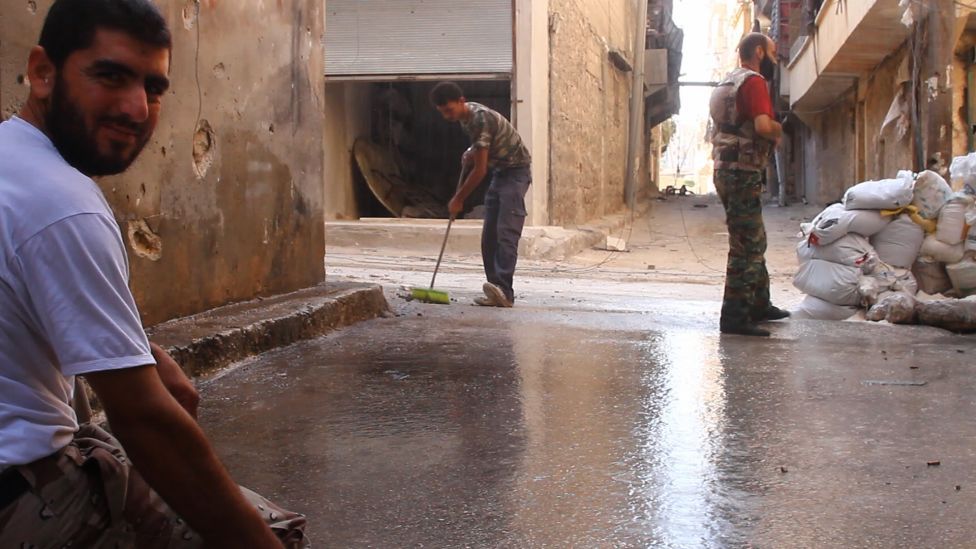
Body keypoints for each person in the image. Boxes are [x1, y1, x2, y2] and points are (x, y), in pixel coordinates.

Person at [0, 1, 308, 546]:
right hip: (16, 493)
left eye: (154, 87)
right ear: (43, 72)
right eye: (111, 76)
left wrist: (136, 354)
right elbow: (146, 421)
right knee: (268, 530)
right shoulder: (63, 204)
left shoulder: (13, 163)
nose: (137, 108)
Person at [708, 32, 790, 337]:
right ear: (758, 51)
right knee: (747, 245)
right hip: (743, 171)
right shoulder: (753, 82)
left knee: (753, 238)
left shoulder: (727, 82)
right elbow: (762, 126)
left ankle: (759, 304)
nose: (775, 59)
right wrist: (779, 129)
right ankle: (735, 316)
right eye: (772, 52)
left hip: (726, 169)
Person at [430, 82, 532, 308]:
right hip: (500, 172)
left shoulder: (479, 118)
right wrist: (470, 152)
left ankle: (505, 291)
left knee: (506, 232)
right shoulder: (466, 118)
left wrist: (458, 198)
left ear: (461, 101)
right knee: (489, 236)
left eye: (449, 110)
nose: (447, 116)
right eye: (443, 112)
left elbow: (480, 171)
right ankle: (494, 288)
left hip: (515, 173)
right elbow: (482, 146)